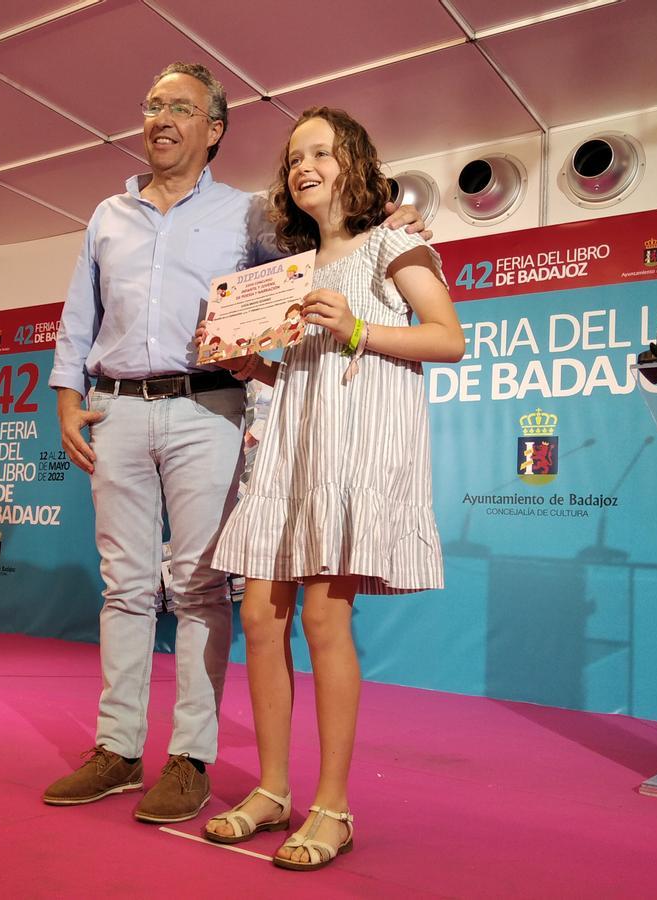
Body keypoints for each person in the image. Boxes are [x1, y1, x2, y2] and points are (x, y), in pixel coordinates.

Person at [44, 63, 430, 825]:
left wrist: (398, 227)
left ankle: (189, 757)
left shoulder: (250, 217)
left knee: (196, 586)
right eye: (152, 103)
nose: (160, 117)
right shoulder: (106, 216)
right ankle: (118, 750)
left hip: (207, 408)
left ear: (213, 129)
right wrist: (65, 394)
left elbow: (320, 257)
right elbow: (77, 314)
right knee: (123, 587)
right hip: (114, 407)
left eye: (179, 107)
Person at [201, 107, 464, 869]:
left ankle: (334, 806)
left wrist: (356, 329)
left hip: (353, 455)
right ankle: (274, 791)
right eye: (293, 159)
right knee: (258, 613)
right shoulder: (291, 271)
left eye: (319, 151)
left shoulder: (395, 242)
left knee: (323, 618)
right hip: (292, 446)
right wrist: (260, 367)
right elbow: (308, 371)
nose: (304, 166)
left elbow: (448, 338)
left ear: (353, 160)